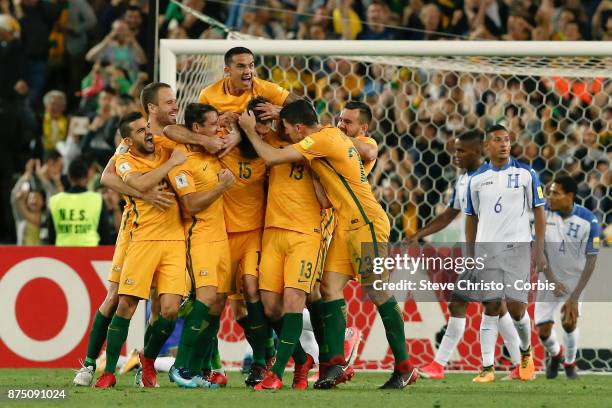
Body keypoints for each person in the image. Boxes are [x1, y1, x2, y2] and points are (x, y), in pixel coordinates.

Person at [239, 99, 417, 390]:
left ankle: (405, 366)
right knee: (328, 288)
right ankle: (335, 363)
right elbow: (324, 196)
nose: (341, 125)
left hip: (367, 222)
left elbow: (272, 157)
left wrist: (249, 128)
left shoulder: (324, 139)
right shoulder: (326, 141)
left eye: (348, 121)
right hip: (344, 226)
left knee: (377, 289)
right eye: (340, 119)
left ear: (298, 127)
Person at [413, 130, 522, 380]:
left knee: (462, 303)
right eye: (456, 150)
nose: (456, 155)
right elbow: (451, 213)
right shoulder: (464, 180)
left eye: (462, 151)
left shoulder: (491, 179)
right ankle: (522, 364)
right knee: (496, 306)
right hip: (475, 252)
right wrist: (419, 233)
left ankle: (439, 365)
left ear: (477, 151)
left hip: (490, 251)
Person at [94, 112, 187, 388]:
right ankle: (108, 371)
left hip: (175, 240)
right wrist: (171, 164)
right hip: (142, 239)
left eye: (147, 127)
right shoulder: (125, 159)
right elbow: (140, 183)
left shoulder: (163, 145)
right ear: (127, 139)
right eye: (139, 131)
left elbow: (186, 142)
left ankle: (147, 361)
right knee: (126, 304)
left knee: (169, 310)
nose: (147, 133)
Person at [239, 97, 319, 390]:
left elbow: (307, 114)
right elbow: (260, 136)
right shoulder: (272, 139)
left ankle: (277, 374)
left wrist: (254, 128)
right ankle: (302, 359)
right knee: (271, 308)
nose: (273, 126)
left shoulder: (316, 142)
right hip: (272, 233)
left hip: (304, 234)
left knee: (293, 302)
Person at [465, 124, 547, 383]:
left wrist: (540, 250)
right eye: (498, 140)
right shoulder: (476, 179)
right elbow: (471, 218)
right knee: (490, 305)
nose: (504, 144)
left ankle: (525, 352)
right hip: (487, 249)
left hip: (519, 248)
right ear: (486, 146)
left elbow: (539, 211)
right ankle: (487, 368)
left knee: (516, 308)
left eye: (507, 140)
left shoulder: (526, 174)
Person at [166, 103, 236, 388]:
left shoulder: (216, 154)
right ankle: (180, 367)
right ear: (196, 129)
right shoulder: (182, 163)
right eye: (212, 125)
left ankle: (198, 369)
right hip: (201, 238)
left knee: (218, 304)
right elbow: (190, 205)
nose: (217, 130)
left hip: (222, 239)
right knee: (204, 299)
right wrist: (220, 187)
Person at [536, 175, 600, 380]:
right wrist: (551, 279)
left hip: (574, 280)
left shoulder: (588, 220)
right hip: (548, 278)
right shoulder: (542, 214)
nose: (549, 197)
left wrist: (574, 296)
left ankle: (570, 363)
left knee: (569, 323)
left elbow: (591, 260)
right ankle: (556, 355)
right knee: (543, 331)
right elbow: (538, 251)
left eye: (555, 193)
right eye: (549, 192)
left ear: (569, 196)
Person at [47, 155, 112, 246]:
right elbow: (105, 236)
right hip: (91, 254)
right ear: (87, 176)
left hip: (62, 255)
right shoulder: (97, 200)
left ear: (69, 177)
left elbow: (51, 237)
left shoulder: (55, 201)